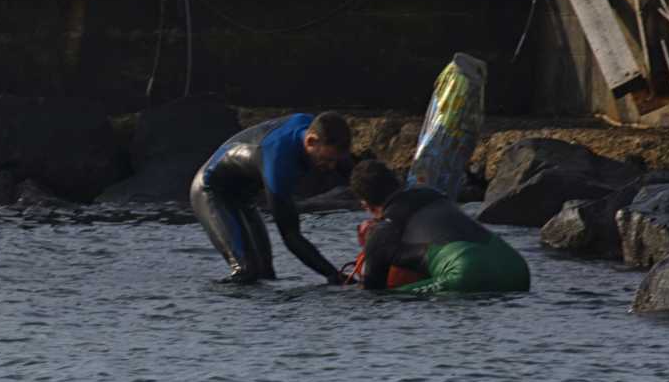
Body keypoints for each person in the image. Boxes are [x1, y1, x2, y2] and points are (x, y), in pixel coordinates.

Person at [190, 111, 353, 284]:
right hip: (211, 190)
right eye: (326, 160)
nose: (330, 167)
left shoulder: (317, 132)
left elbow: (359, 177)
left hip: (244, 197)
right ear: (310, 141)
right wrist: (333, 275)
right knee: (246, 272)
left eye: (334, 160)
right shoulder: (279, 162)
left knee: (265, 273)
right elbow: (291, 236)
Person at [348, 159, 530, 294]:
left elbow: (372, 295)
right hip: (516, 268)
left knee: (390, 298)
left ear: (366, 205)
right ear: (395, 181)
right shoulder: (432, 193)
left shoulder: (380, 234)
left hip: (467, 273)